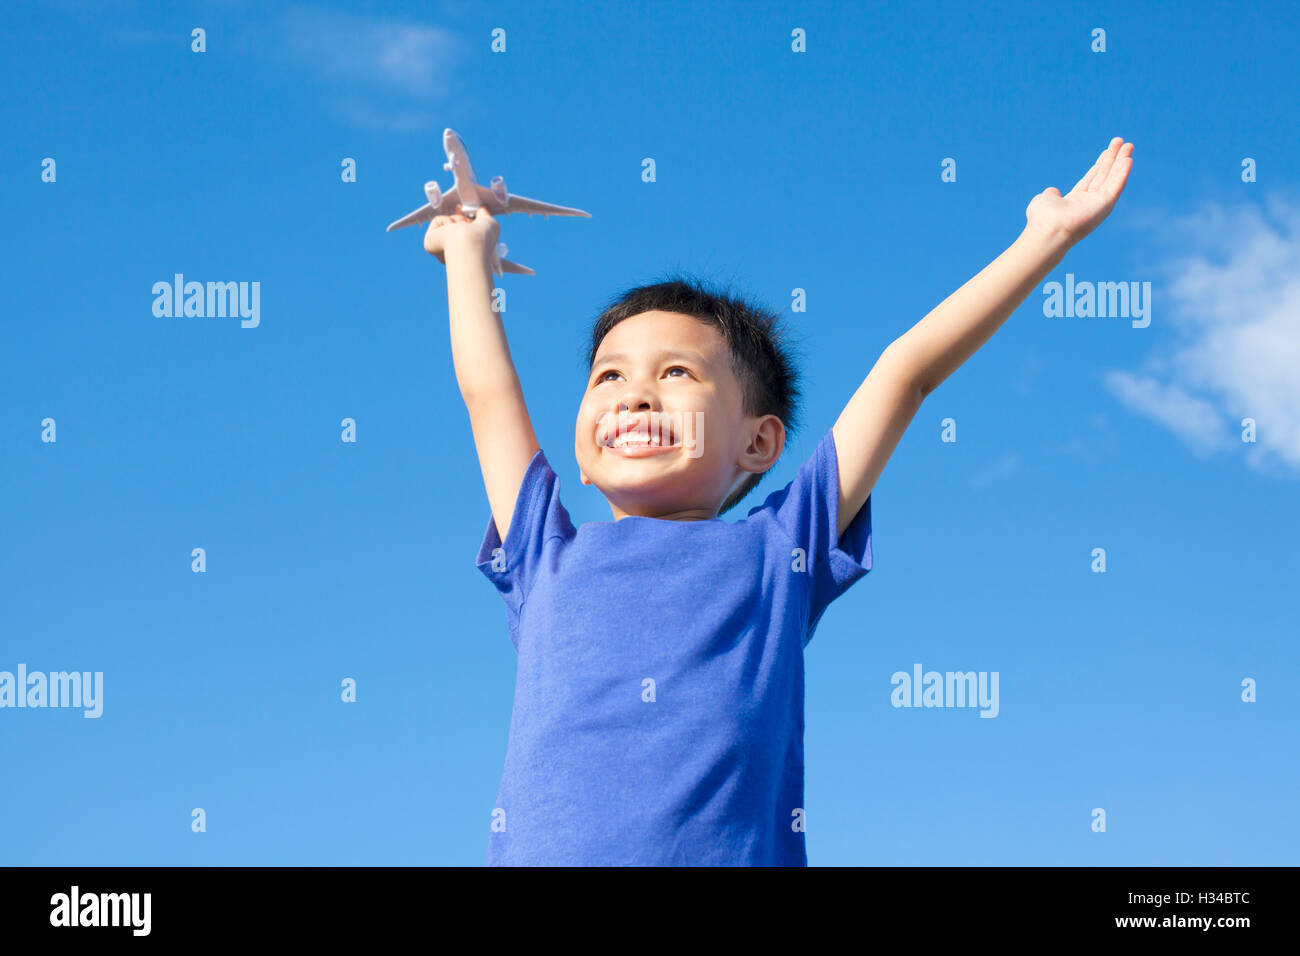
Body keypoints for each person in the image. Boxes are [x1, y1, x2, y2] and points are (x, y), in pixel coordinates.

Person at [423, 138, 1135, 865]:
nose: (633, 394)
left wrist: (1045, 240)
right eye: (607, 377)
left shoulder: (781, 547)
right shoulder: (543, 548)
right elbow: (488, 395)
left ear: (759, 444)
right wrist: (467, 258)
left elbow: (906, 373)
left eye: (675, 373)